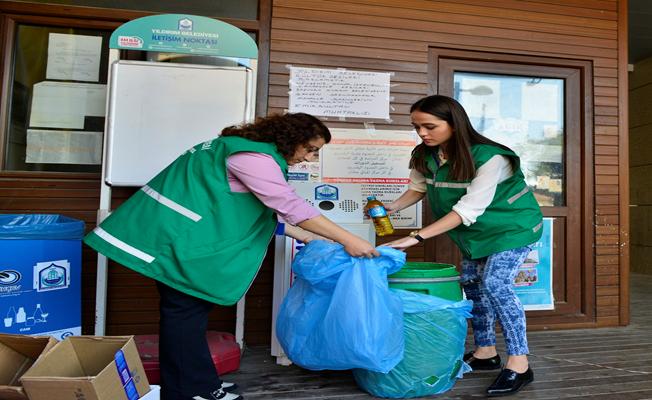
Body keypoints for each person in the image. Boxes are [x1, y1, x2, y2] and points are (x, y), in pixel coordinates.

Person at [84, 113, 378, 400]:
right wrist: (350, 239)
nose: (309, 158)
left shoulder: (236, 148)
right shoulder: (252, 157)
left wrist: (300, 234)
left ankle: (200, 384)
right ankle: (188, 391)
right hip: (180, 242)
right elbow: (287, 203)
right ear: (292, 138)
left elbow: (239, 205)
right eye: (310, 149)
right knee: (184, 317)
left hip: (183, 239)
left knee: (188, 317)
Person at [384, 95, 542, 397]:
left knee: (496, 285)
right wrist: (390, 208)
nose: (422, 133)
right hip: (475, 232)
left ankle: (520, 363)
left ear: (454, 125)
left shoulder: (490, 157)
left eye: (430, 126)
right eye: (417, 127)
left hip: (513, 228)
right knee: (472, 285)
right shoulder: (424, 155)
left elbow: (465, 210)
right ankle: (485, 352)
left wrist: (414, 237)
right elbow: (418, 189)